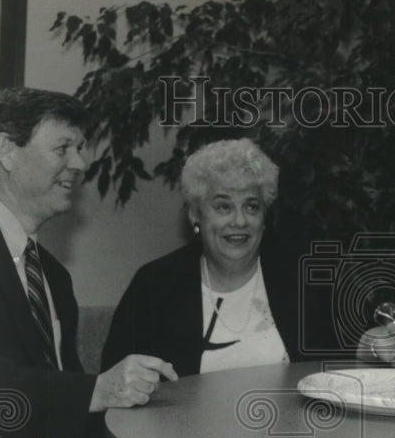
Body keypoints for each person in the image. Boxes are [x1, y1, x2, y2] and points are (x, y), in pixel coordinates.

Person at [0, 87, 177, 438]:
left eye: (80, 148)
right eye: (64, 148)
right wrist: (94, 390)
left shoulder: (54, 276)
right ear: (7, 151)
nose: (81, 163)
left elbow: (66, 409)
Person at [101, 139, 307, 377]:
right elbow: (114, 384)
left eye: (251, 207)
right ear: (195, 214)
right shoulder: (154, 286)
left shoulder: (300, 279)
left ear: (264, 217)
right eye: (223, 207)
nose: (240, 221)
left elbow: (338, 370)